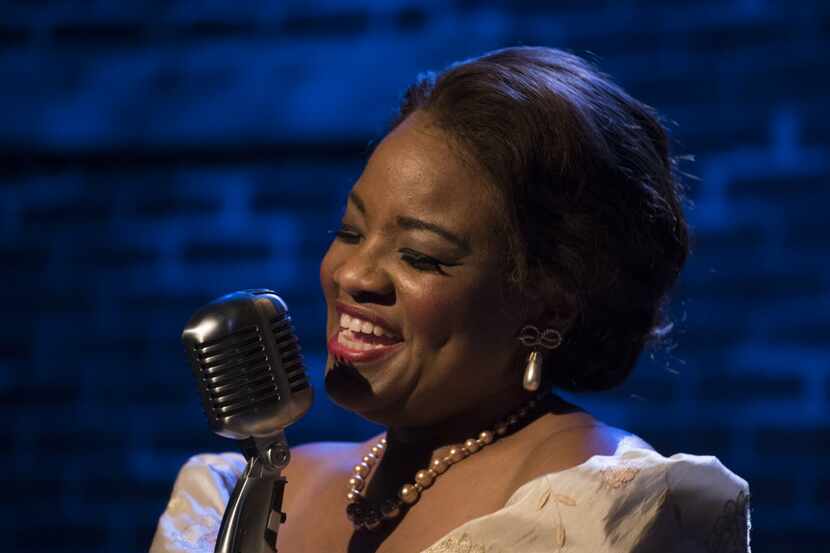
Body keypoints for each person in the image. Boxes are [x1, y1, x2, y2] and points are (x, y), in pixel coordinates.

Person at [150, 46, 751, 552]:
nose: (353, 275)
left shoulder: (610, 513)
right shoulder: (240, 495)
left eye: (420, 256)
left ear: (549, 306)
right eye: (350, 231)